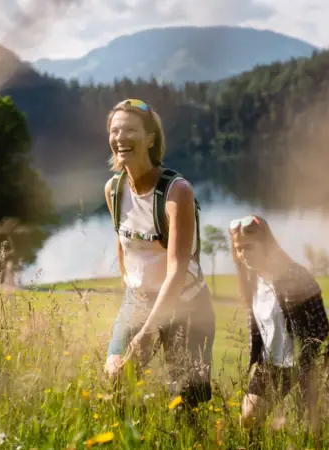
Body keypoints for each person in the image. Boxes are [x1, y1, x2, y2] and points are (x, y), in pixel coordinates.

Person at [102, 98, 215, 412]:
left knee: (186, 407)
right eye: (114, 130)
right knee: (115, 380)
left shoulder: (176, 191)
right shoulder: (113, 189)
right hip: (139, 299)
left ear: (151, 138)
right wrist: (131, 285)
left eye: (130, 130)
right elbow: (123, 242)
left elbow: (177, 270)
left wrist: (148, 332)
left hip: (186, 305)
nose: (120, 137)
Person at [228, 214, 329, 431]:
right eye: (238, 249)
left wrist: (310, 369)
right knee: (248, 419)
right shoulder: (252, 280)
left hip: (302, 365)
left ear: (266, 244)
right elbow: (258, 329)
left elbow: (322, 329)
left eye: (248, 247)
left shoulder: (297, 277)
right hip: (270, 366)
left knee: (311, 432)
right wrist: (255, 360)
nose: (242, 255)